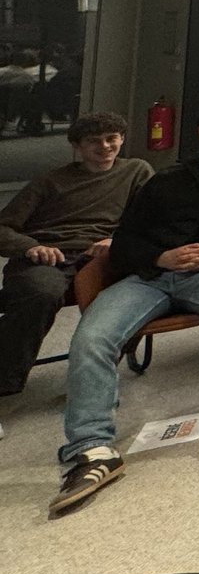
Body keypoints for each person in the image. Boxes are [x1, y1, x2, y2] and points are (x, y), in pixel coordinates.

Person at [51, 99, 199, 514]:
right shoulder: (167, 179)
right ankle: (91, 449)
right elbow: (126, 240)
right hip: (151, 275)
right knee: (93, 335)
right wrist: (162, 258)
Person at [0, 113, 150, 407]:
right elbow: (3, 226)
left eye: (112, 139)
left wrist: (117, 240)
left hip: (100, 255)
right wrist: (32, 246)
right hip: (49, 255)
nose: (105, 146)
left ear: (122, 139)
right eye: (94, 141)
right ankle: (6, 379)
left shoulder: (136, 170)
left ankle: (93, 381)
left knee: (132, 289)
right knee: (41, 292)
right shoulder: (50, 182)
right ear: (77, 147)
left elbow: (150, 217)